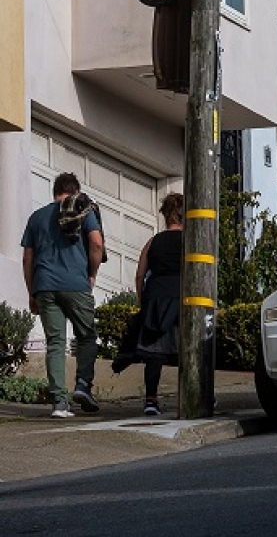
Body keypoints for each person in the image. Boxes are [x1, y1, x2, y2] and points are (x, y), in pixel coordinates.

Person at [21, 172, 103, 418]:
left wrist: (31, 291)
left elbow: (27, 258)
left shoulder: (37, 217)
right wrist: (92, 274)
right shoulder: (83, 209)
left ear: (54, 191)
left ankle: (59, 403)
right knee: (87, 336)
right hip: (75, 283)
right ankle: (82, 386)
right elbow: (97, 244)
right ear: (75, 191)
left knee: (55, 343)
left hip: (45, 285)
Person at [114, 192, 183, 416]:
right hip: (182, 298)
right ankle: (200, 397)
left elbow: (140, 275)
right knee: (190, 350)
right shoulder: (192, 241)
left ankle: (151, 401)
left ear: (166, 216)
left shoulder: (153, 241)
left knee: (155, 352)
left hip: (155, 296)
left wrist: (144, 301)